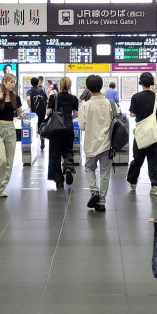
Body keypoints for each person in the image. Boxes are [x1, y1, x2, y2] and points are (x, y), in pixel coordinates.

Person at [78, 75, 116, 212]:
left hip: (91, 143)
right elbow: (116, 122)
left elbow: (82, 126)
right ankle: (101, 202)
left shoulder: (85, 106)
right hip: (107, 144)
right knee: (105, 172)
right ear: (101, 87)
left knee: (89, 168)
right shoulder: (111, 104)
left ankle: (94, 191)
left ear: (88, 89)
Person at [126, 72, 157, 196]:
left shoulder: (136, 97)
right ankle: (156, 186)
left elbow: (132, 114)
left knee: (137, 159)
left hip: (140, 134)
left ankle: (132, 181)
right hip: (154, 134)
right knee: (154, 160)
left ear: (140, 83)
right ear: (152, 83)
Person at [47, 77, 79, 189]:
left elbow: (48, 112)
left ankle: (59, 180)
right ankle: (68, 167)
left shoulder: (54, 97)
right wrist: (68, 118)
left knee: (55, 153)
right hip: (68, 127)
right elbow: (76, 114)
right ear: (70, 86)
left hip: (56, 128)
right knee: (68, 150)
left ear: (60, 85)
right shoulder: (74, 98)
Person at [27, 77, 49, 148]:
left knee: (33, 124)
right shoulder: (42, 91)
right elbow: (47, 101)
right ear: (38, 82)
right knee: (41, 124)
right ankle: (42, 138)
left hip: (34, 110)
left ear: (31, 83)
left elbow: (28, 99)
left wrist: (30, 106)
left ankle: (32, 140)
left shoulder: (30, 91)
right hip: (42, 110)